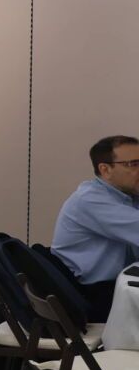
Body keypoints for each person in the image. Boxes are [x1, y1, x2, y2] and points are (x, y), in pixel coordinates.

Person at [51, 135, 139, 318]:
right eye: (134, 164)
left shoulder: (128, 195)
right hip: (91, 296)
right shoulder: (91, 200)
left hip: (117, 287)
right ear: (105, 170)